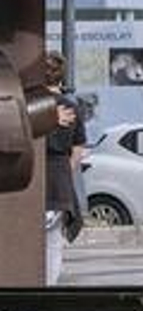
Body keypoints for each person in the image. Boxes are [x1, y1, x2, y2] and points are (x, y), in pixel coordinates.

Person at [42, 53, 84, 286]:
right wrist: (66, 171)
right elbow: (78, 148)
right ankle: (47, 291)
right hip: (59, 182)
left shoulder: (31, 104)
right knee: (53, 246)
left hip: (34, 179)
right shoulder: (71, 107)